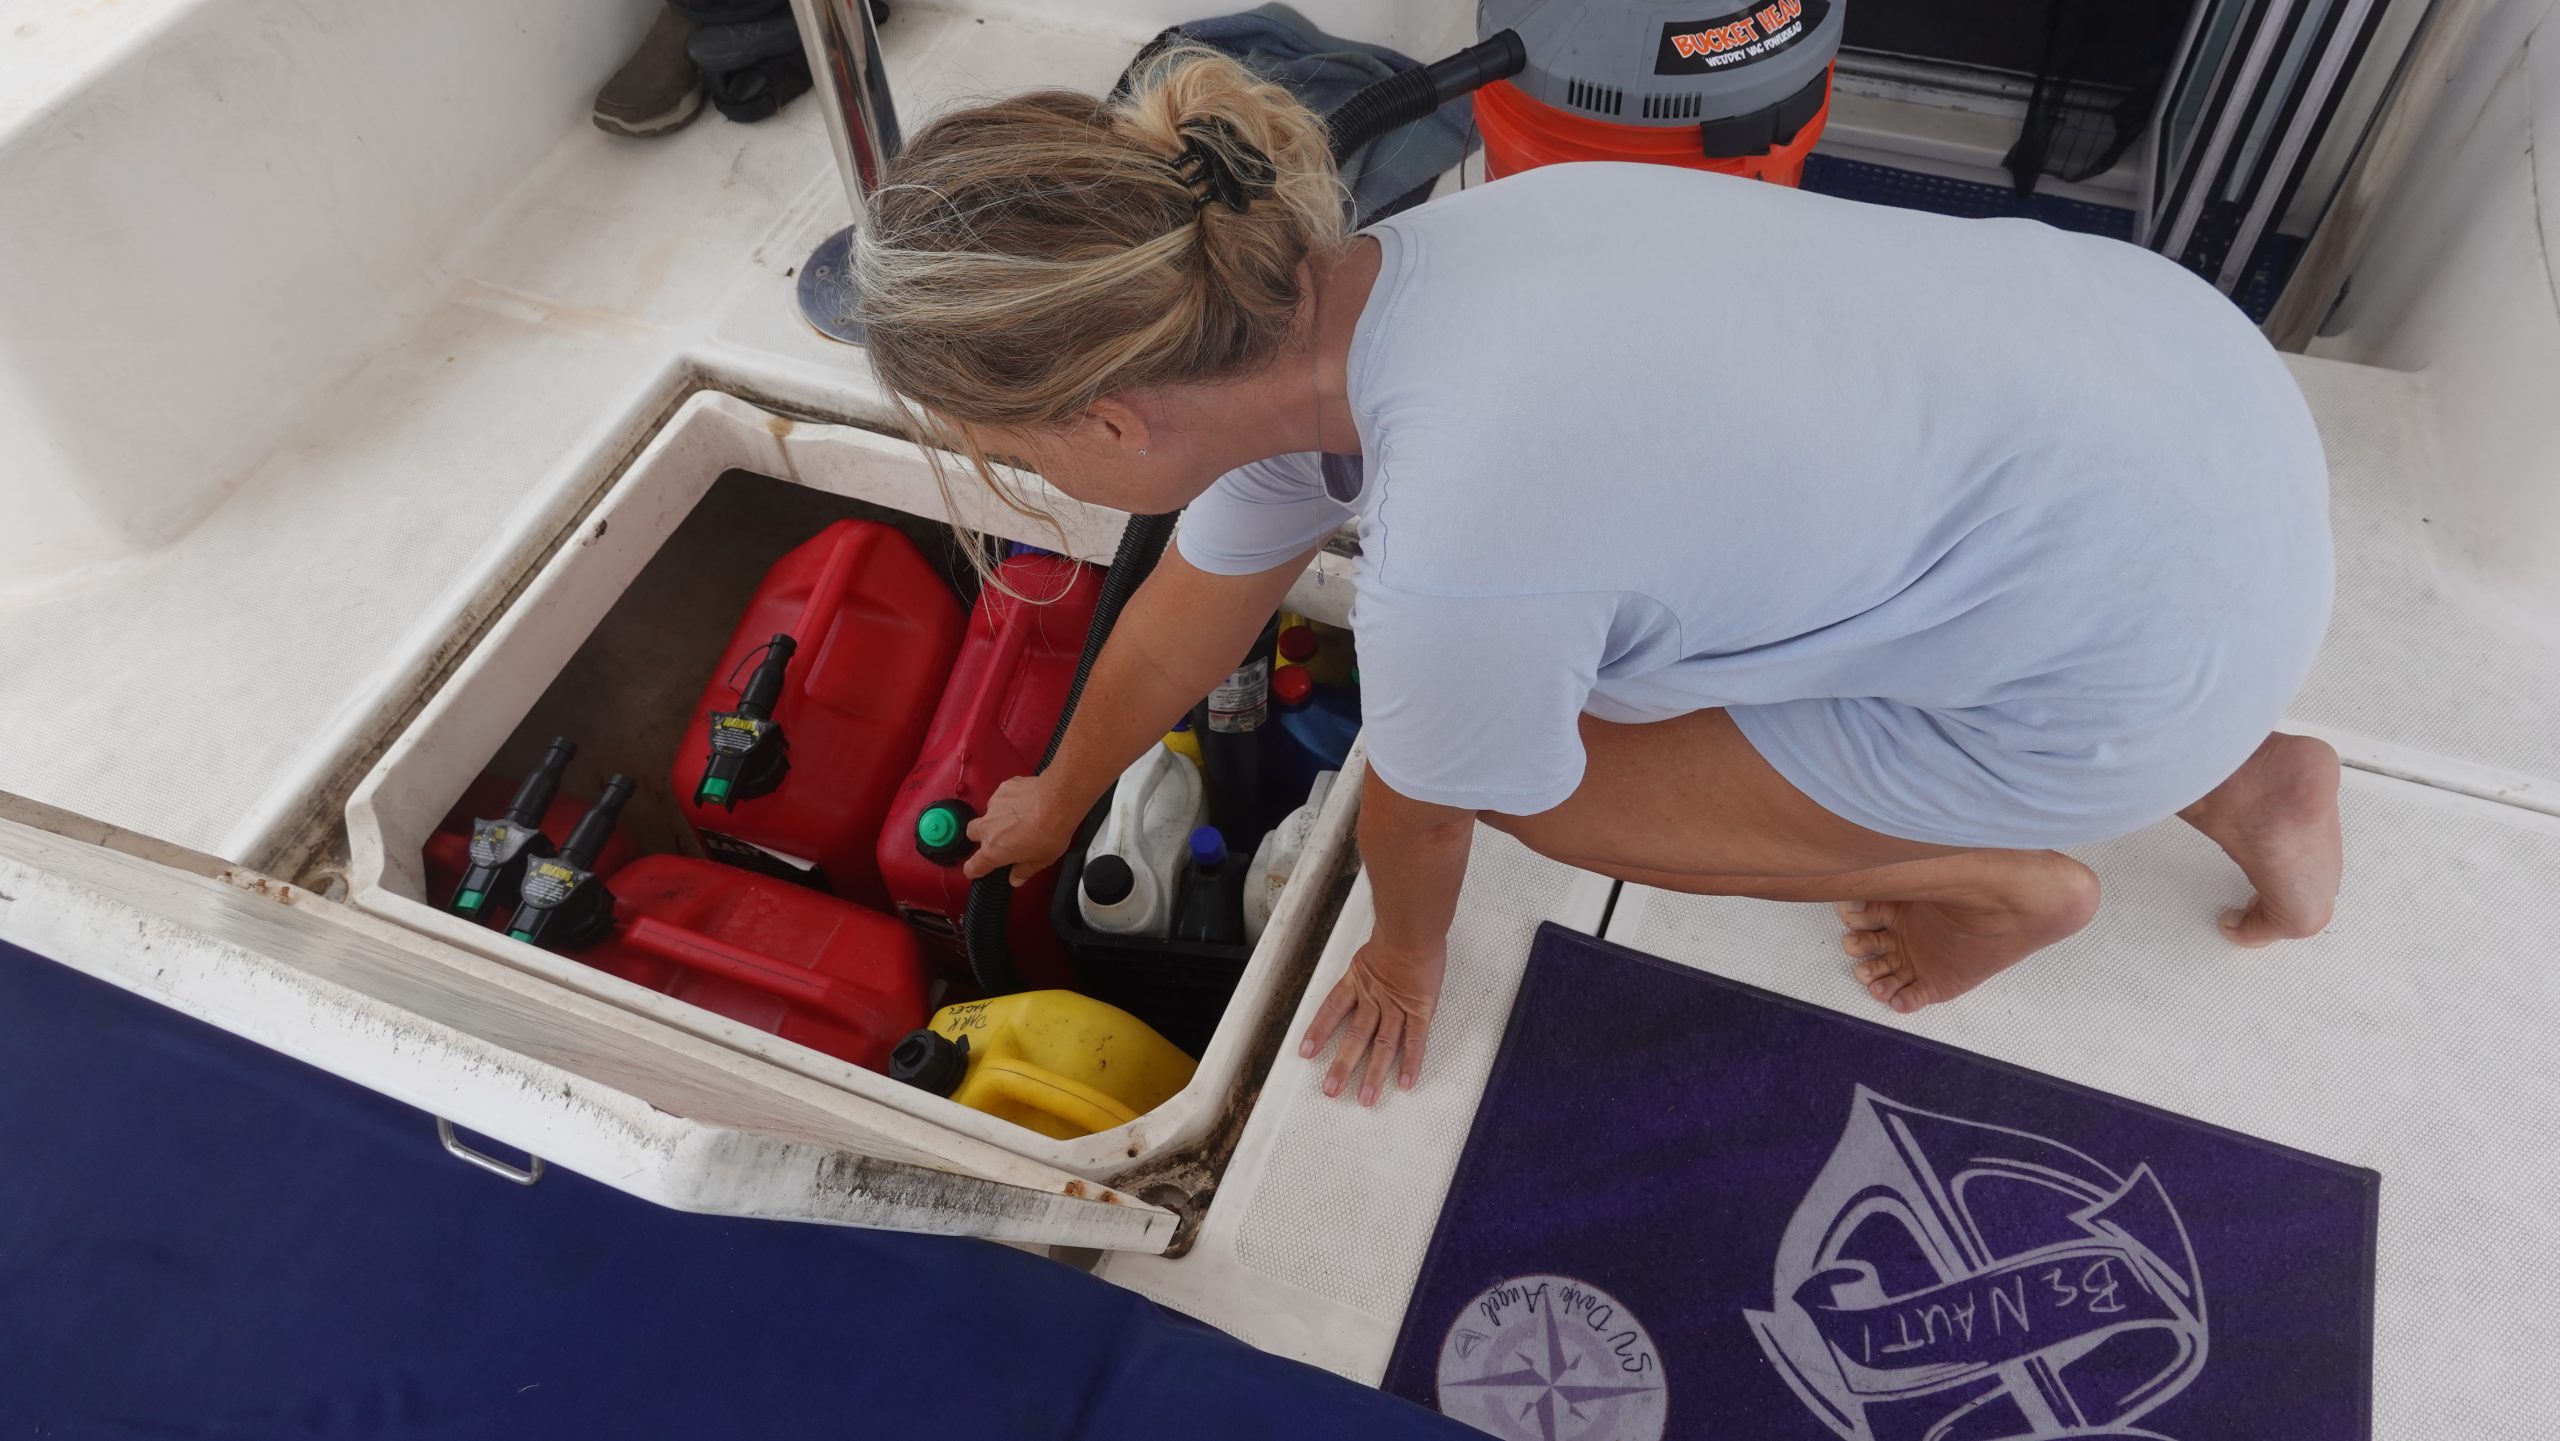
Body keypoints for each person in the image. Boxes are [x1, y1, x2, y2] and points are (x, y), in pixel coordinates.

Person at [850, 49, 2340, 1109]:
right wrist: (1060, 790)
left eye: (1017, 456)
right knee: (1769, 580)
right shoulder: (1349, 291)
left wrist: (1405, 960)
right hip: (2193, 399)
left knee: (1530, 775)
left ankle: (2003, 872)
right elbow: (1189, 607)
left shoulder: (1459, 552)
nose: (1040, 486)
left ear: (1114, 421)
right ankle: (2252, 774)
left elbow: (1427, 809)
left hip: (2138, 656)